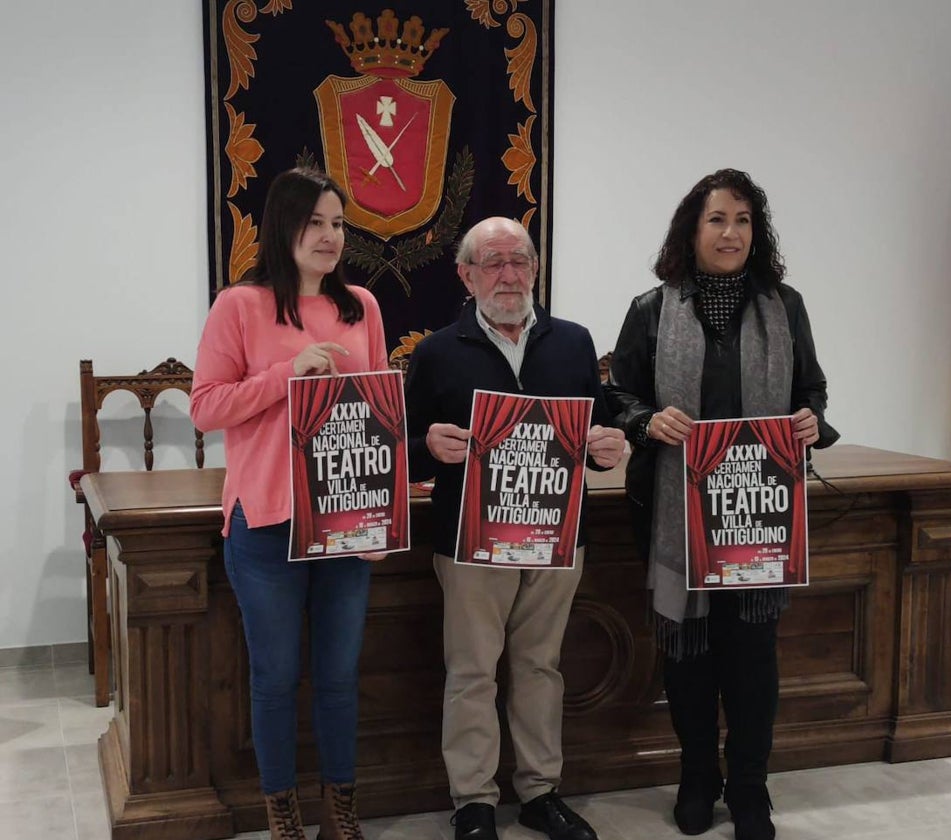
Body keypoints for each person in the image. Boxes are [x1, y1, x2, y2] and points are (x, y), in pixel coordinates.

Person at [605, 169, 839, 840]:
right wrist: (649, 420)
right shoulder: (652, 309)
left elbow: (814, 391)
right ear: (692, 229)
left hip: (758, 514)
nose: (730, 232)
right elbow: (617, 396)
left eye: (742, 219)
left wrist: (808, 420)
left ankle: (750, 790)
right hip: (678, 516)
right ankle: (697, 778)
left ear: (754, 232)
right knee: (687, 656)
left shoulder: (785, 306)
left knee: (752, 657)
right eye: (717, 219)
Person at [404, 217, 625, 840]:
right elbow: (402, 445)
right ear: (466, 275)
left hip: (557, 534)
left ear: (535, 268)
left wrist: (608, 446)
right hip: (471, 540)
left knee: (540, 667)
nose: (508, 274)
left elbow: (597, 429)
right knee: (472, 669)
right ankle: (473, 800)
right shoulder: (436, 351)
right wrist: (428, 446)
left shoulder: (574, 341)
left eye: (519, 260)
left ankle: (539, 791)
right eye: (493, 262)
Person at [191, 168, 391, 840]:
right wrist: (284, 376)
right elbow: (205, 408)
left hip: (344, 518)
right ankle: (283, 813)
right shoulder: (239, 305)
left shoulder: (362, 303)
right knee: (275, 677)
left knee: (339, 676)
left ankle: (343, 808)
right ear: (283, 226)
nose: (330, 236)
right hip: (267, 519)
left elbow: (377, 408)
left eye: (338, 224)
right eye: (315, 223)